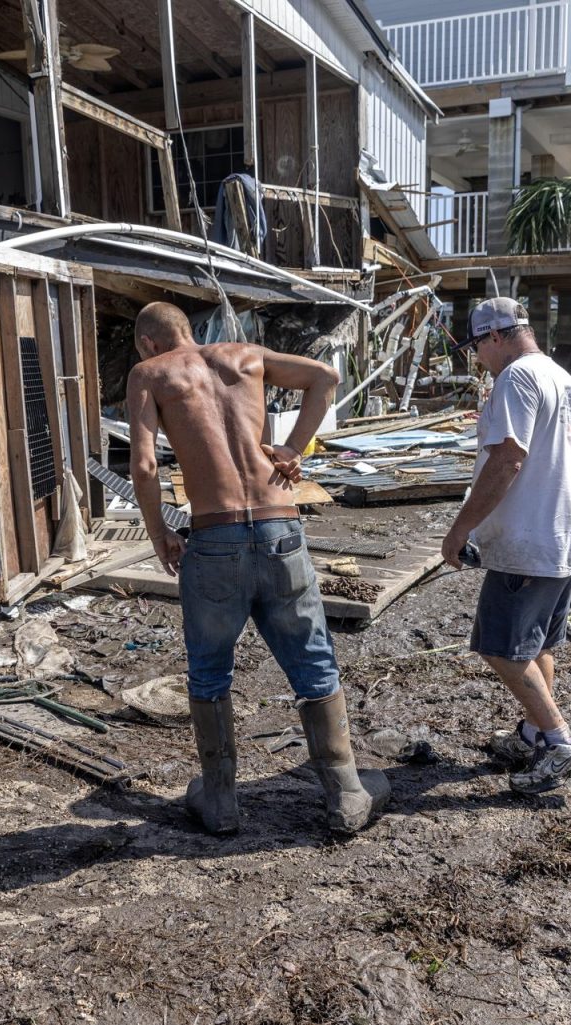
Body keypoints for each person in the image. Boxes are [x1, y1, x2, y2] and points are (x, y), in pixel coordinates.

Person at [125, 302, 389, 836]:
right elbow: (326, 377)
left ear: (149, 344)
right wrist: (293, 447)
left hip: (215, 534)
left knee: (209, 667)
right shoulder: (245, 356)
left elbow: (146, 464)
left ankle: (220, 802)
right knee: (313, 660)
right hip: (279, 529)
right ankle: (346, 795)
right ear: (187, 331)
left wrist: (159, 534)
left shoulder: (149, 374)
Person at [440, 297, 571, 794]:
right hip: (563, 532)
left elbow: (508, 460)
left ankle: (559, 740)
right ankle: (535, 732)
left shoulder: (517, 378)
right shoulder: (559, 376)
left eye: (476, 348)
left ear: (495, 336)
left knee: (502, 647)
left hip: (530, 536)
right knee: (538, 643)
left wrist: (461, 527)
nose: (478, 360)